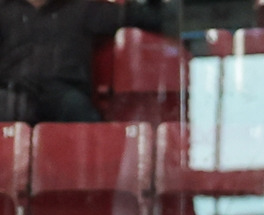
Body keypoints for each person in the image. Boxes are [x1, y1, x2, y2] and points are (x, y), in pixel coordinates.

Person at [0, 0, 163, 123]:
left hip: (63, 93)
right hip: (11, 91)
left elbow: (143, 17)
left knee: (82, 115)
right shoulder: (3, 9)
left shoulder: (84, 7)